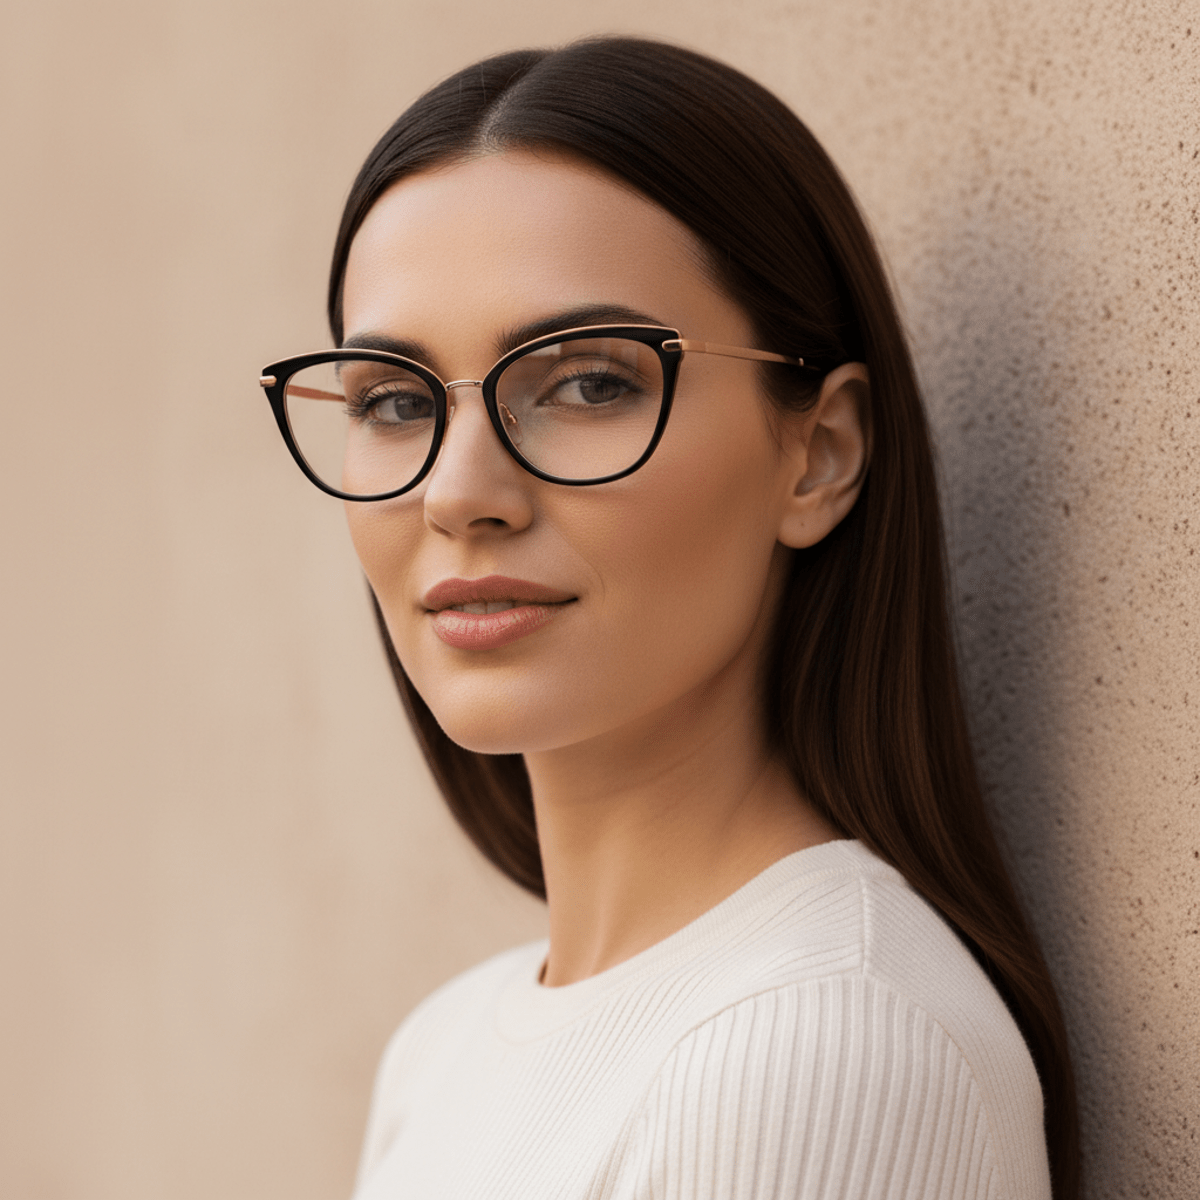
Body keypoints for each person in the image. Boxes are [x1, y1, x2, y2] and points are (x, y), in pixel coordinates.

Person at [259, 36, 1079, 1200]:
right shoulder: (440, 1053)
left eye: (589, 382)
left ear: (819, 454)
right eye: (393, 400)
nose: (458, 495)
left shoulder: (825, 1046)